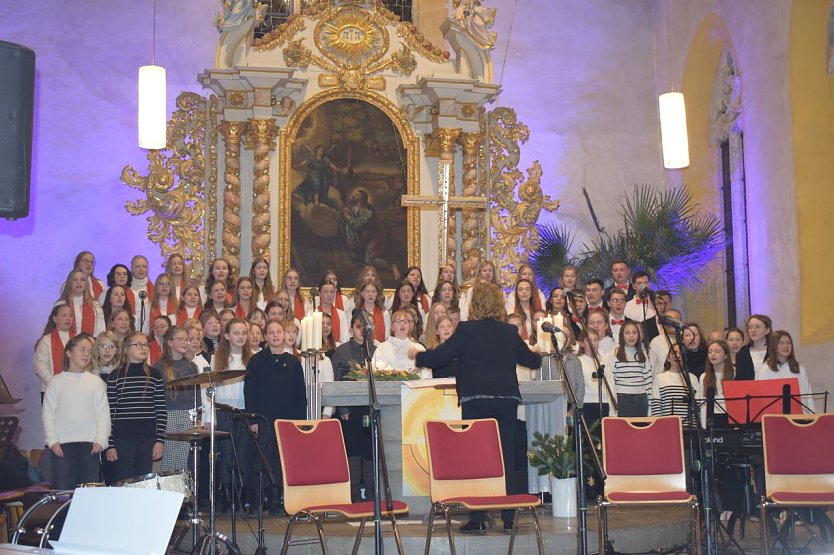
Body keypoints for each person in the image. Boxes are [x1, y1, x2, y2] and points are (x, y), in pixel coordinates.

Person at [413, 282, 542, 534]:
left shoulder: (466, 330)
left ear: (474, 305)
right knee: (506, 457)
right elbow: (531, 360)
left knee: (478, 459)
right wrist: (538, 351)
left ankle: (479, 517)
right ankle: (509, 516)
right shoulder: (508, 332)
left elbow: (442, 356)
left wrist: (418, 356)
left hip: (475, 401)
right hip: (505, 401)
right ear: (498, 305)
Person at [244, 320, 307, 513]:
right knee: (263, 460)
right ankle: (257, 500)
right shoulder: (257, 361)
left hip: (287, 420)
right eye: (270, 333)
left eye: (278, 332)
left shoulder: (294, 362)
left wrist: (299, 422)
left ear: (285, 335)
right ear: (265, 337)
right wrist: (253, 420)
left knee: (283, 461)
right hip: (264, 420)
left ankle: (277, 500)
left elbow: (299, 394)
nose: (275, 336)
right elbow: (250, 392)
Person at [42, 333, 110, 490]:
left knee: (88, 493)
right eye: (82, 349)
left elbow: (103, 413)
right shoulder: (56, 382)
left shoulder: (96, 383)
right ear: (69, 353)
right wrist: (52, 441)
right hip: (62, 446)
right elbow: (48, 414)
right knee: (63, 493)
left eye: (89, 350)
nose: (86, 354)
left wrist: (101, 439)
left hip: (90, 445)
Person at [105, 332, 167, 483]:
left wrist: (160, 440)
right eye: (138, 345)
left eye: (146, 345)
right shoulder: (115, 376)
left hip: (147, 437)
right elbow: (109, 413)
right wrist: (110, 444)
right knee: (123, 479)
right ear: (126, 349)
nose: (144, 348)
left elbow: (161, 410)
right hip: (122, 437)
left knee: (144, 480)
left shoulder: (155, 375)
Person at [330, 310, 377, 501]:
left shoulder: (375, 350)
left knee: (370, 448)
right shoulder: (342, 351)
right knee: (353, 449)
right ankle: (354, 494)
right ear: (351, 328)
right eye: (359, 327)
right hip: (350, 410)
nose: (362, 330)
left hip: (370, 407)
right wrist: (343, 408)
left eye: (366, 327)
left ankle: (372, 493)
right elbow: (336, 381)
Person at [211, 318, 255, 512]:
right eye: (236, 333)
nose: (240, 337)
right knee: (227, 454)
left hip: (245, 411)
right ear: (227, 336)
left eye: (243, 333)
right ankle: (228, 499)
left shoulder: (253, 357)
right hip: (224, 411)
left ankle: (242, 497)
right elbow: (210, 388)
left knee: (244, 455)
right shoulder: (217, 358)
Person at [154, 326, 197, 473]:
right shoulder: (159, 367)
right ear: (169, 342)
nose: (185, 342)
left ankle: (181, 492)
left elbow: (196, 394)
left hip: (187, 415)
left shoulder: (191, 366)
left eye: (187, 339)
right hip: (169, 415)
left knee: (182, 459)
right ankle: (168, 492)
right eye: (181, 339)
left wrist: (198, 417)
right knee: (169, 458)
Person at [758, 330, 814, 413]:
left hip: (800, 416)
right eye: (781, 343)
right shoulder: (765, 369)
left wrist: (812, 416)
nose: (786, 346)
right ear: (773, 346)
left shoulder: (799, 368)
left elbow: (808, 395)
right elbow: (763, 399)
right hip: (776, 418)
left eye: (788, 343)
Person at [607, 321, 652, 417]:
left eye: (634, 333)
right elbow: (611, 381)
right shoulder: (615, 354)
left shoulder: (643, 354)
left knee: (640, 429)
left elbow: (648, 381)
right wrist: (613, 408)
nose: (631, 336)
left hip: (641, 398)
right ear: (622, 336)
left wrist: (650, 407)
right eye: (627, 333)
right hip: (622, 397)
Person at [651, 344, 702, 427]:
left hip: (688, 427)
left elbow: (697, 406)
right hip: (667, 427)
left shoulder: (692, 378)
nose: (677, 355)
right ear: (668, 358)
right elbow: (656, 406)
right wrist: (659, 426)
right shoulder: (659, 378)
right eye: (674, 352)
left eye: (680, 353)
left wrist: (694, 425)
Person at [34, 305, 75, 400]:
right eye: (64, 315)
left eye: (70, 315)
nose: (68, 318)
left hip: (74, 389)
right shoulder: (46, 340)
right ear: (55, 318)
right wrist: (54, 383)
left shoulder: (77, 339)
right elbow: (39, 366)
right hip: (51, 389)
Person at [56, 269, 105, 336]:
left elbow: (101, 331)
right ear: (69, 283)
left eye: (82, 280)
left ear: (86, 284)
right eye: (75, 280)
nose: (79, 282)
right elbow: (55, 328)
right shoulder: (61, 304)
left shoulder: (95, 305)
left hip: (90, 344)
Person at [735, 314, 771, 381]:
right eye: (750, 327)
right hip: (748, 391)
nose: (753, 330)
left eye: (757, 327)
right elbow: (739, 380)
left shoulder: (774, 351)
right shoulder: (742, 353)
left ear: (767, 330)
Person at [355, 278, 389, 343]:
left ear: (377, 294)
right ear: (362, 294)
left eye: (373, 291)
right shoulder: (357, 313)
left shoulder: (384, 314)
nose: (370, 294)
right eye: (367, 291)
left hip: (379, 349)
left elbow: (387, 338)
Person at [130, 255, 153, 334]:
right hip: (131, 332)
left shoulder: (153, 289)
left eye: (144, 266)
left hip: (148, 332)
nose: (141, 269)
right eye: (137, 266)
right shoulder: (126, 289)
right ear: (132, 269)